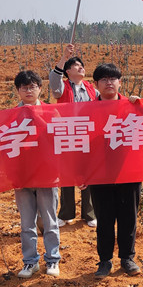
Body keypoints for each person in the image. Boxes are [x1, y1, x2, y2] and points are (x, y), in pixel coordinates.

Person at [88, 63, 143, 278]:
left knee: (129, 216)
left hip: (128, 170)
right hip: (100, 173)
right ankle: (104, 260)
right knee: (104, 218)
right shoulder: (87, 111)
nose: (109, 82)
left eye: (113, 78)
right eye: (104, 79)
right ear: (96, 85)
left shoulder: (133, 106)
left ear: (120, 82)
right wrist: (82, 172)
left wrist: (140, 106)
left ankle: (127, 258)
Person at [13, 70, 61, 278]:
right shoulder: (10, 116)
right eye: (24, 87)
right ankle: (30, 262)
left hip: (46, 175)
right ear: (18, 91)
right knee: (26, 223)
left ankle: (52, 260)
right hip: (22, 177)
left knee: (50, 220)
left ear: (40, 89)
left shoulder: (52, 113)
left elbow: (60, 143)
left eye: (32, 86)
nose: (28, 90)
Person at [49, 43, 98, 228]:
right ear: (68, 71)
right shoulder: (62, 88)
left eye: (82, 65)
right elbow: (54, 78)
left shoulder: (92, 89)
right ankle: (66, 213)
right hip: (68, 134)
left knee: (90, 175)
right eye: (76, 65)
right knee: (67, 175)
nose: (81, 67)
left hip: (88, 136)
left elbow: (110, 101)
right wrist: (64, 56)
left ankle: (89, 213)